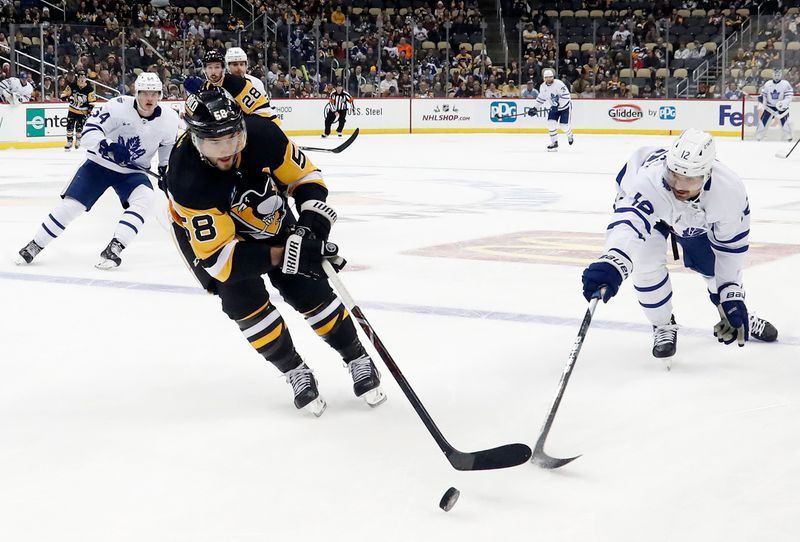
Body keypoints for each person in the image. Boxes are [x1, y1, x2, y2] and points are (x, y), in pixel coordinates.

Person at [165, 87, 386, 415]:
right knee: (242, 302)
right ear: (195, 139)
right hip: (215, 244)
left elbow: (307, 178)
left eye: (232, 139)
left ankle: (357, 357)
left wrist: (310, 230)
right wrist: (284, 254)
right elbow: (222, 261)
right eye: (215, 143)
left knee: (309, 288)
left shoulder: (263, 133)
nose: (226, 151)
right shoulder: (186, 179)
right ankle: (294, 370)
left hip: (266, 219)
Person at [581, 129, 778, 362]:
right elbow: (630, 224)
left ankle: (734, 310)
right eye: (674, 175)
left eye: (690, 179)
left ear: (707, 174)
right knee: (646, 267)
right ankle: (662, 325)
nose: (679, 185)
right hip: (655, 213)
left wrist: (731, 294)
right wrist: (613, 260)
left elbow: (730, 250)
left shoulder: (728, 193)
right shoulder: (650, 180)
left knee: (712, 266)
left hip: (696, 218)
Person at [16, 73, 180, 269]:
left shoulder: (169, 118)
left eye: (154, 94)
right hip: (99, 165)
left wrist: (165, 170)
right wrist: (108, 146)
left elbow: (167, 146)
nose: (149, 98)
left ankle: (115, 247)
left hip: (132, 172)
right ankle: (35, 244)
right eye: (145, 93)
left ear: (160, 95)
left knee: (145, 199)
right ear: (136, 93)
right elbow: (89, 132)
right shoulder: (117, 106)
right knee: (71, 207)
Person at [201, 49, 277, 121]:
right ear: (227, 66)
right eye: (235, 65)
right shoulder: (212, 84)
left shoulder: (254, 83)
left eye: (242, 64)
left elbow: (262, 110)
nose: (239, 68)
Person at [527, 68, 573, 151]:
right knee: (550, 123)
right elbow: (541, 99)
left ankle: (570, 134)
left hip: (565, 107)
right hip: (554, 108)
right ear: (544, 78)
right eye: (547, 77)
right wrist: (535, 108)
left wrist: (558, 105)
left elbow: (567, 96)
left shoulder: (559, 84)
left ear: (553, 77)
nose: (549, 79)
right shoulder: (543, 87)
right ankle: (554, 143)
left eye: (550, 77)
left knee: (563, 126)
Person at [60, 69, 97, 151]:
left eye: (83, 78)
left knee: (79, 128)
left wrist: (89, 111)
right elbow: (63, 95)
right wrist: (67, 98)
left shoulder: (89, 89)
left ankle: (78, 139)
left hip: (83, 112)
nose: (81, 79)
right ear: (77, 78)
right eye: (80, 77)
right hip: (72, 110)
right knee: (69, 126)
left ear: (86, 79)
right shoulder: (72, 85)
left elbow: (92, 102)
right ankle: (69, 141)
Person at [756, 70, 793, 141]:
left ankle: (789, 137)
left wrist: (783, 103)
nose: (777, 77)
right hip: (769, 107)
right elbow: (764, 94)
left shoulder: (785, 84)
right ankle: (759, 137)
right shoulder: (767, 83)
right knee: (763, 121)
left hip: (781, 108)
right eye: (775, 75)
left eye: (778, 75)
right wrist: (762, 99)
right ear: (772, 75)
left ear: (781, 75)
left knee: (784, 121)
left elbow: (789, 96)